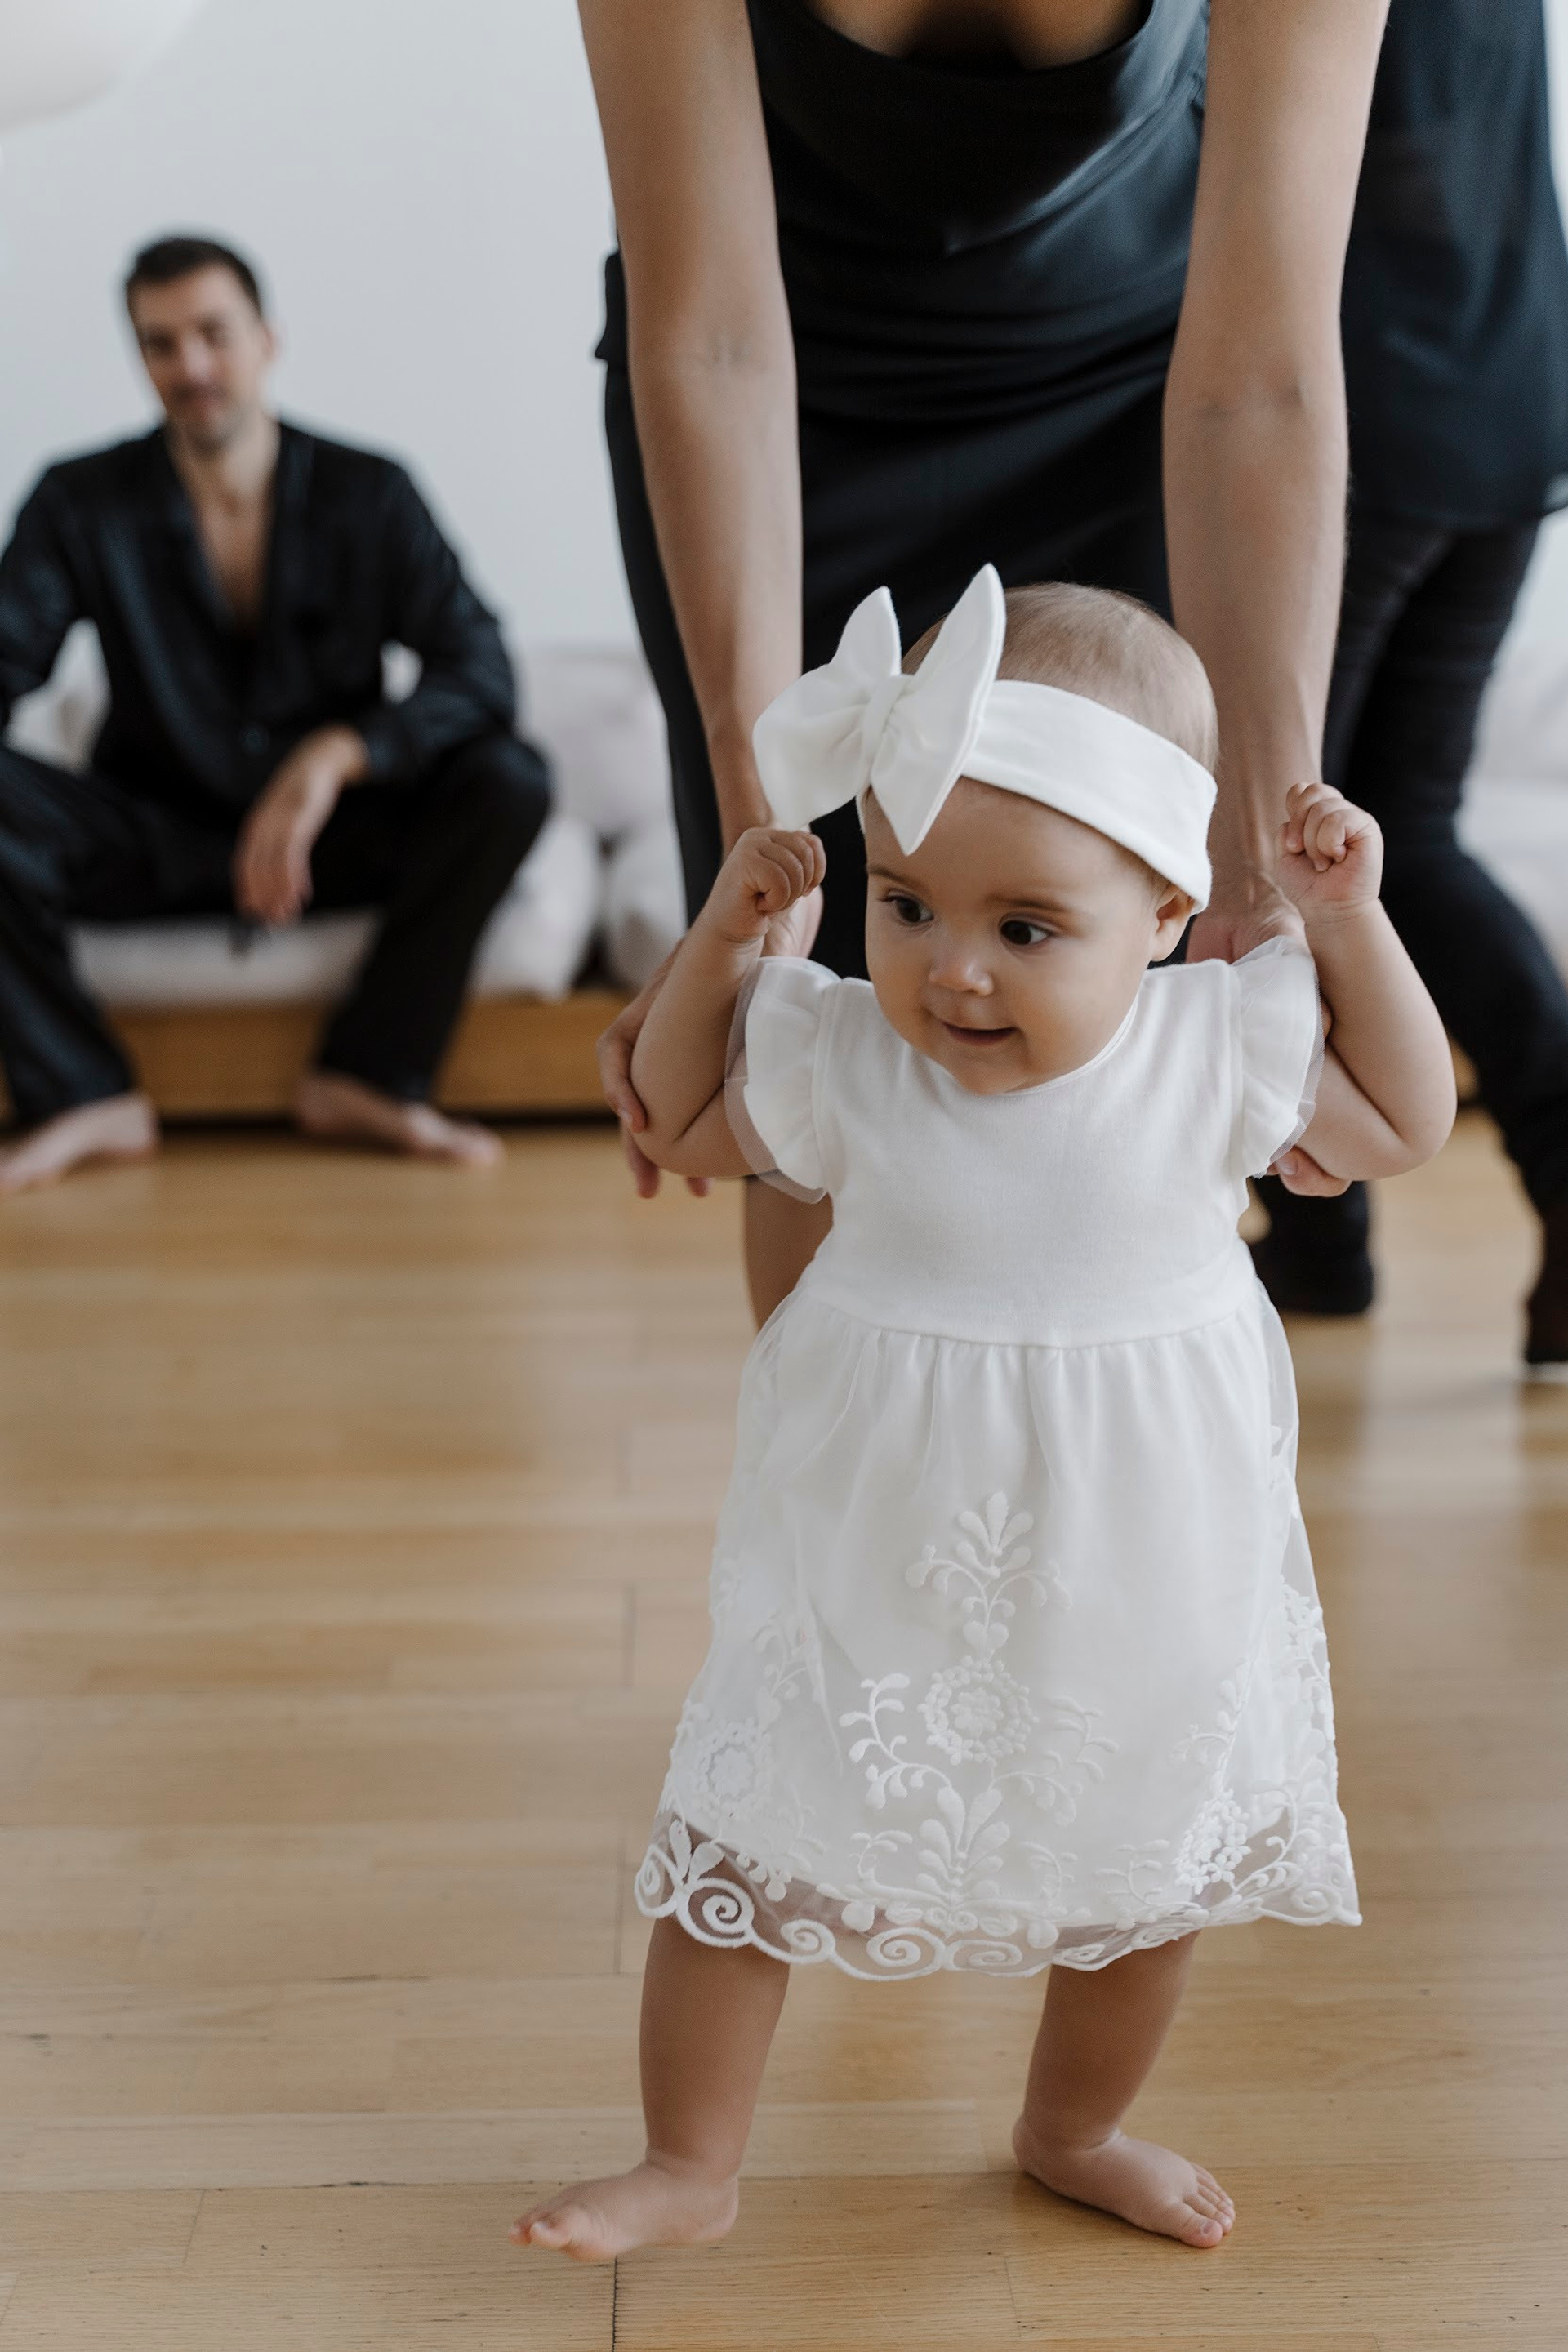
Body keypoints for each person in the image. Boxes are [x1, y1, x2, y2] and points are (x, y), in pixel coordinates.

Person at [513, 569, 1455, 2261]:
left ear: (1167, 907)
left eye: (1027, 929)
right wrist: (729, 943)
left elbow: (1407, 1115)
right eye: (910, 904)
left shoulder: (1212, 1045)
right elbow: (675, 1113)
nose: (951, 972)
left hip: (1142, 1538)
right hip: (881, 1520)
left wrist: (1352, 920)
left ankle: (1073, 2123)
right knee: (760, 1830)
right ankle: (689, 2160)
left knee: (1138, 1857)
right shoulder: (847, 1052)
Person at [585, 0, 1392, 1322]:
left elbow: (1263, 375)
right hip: (782, 399)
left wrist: (1264, 856)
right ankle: (848, 1519)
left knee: (1119, 1055)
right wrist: (760, 844)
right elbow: (712, 338)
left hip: (1146, 377)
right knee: (806, 1042)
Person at [0, 234, 551, 1193]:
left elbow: (480, 669)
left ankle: (369, 1074)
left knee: (510, 775)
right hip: (153, 836)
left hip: (328, 836)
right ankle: (84, 1092)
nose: (192, 367)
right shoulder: (77, 500)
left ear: (267, 340)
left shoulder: (369, 490)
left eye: (213, 334)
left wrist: (336, 757)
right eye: (161, 343)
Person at [1252, 0, 1568, 1369]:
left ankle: (1324, 1235)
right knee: (1397, 831)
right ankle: (1323, 1241)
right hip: (1508, 395)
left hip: (1358, 415)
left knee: (1275, 830)